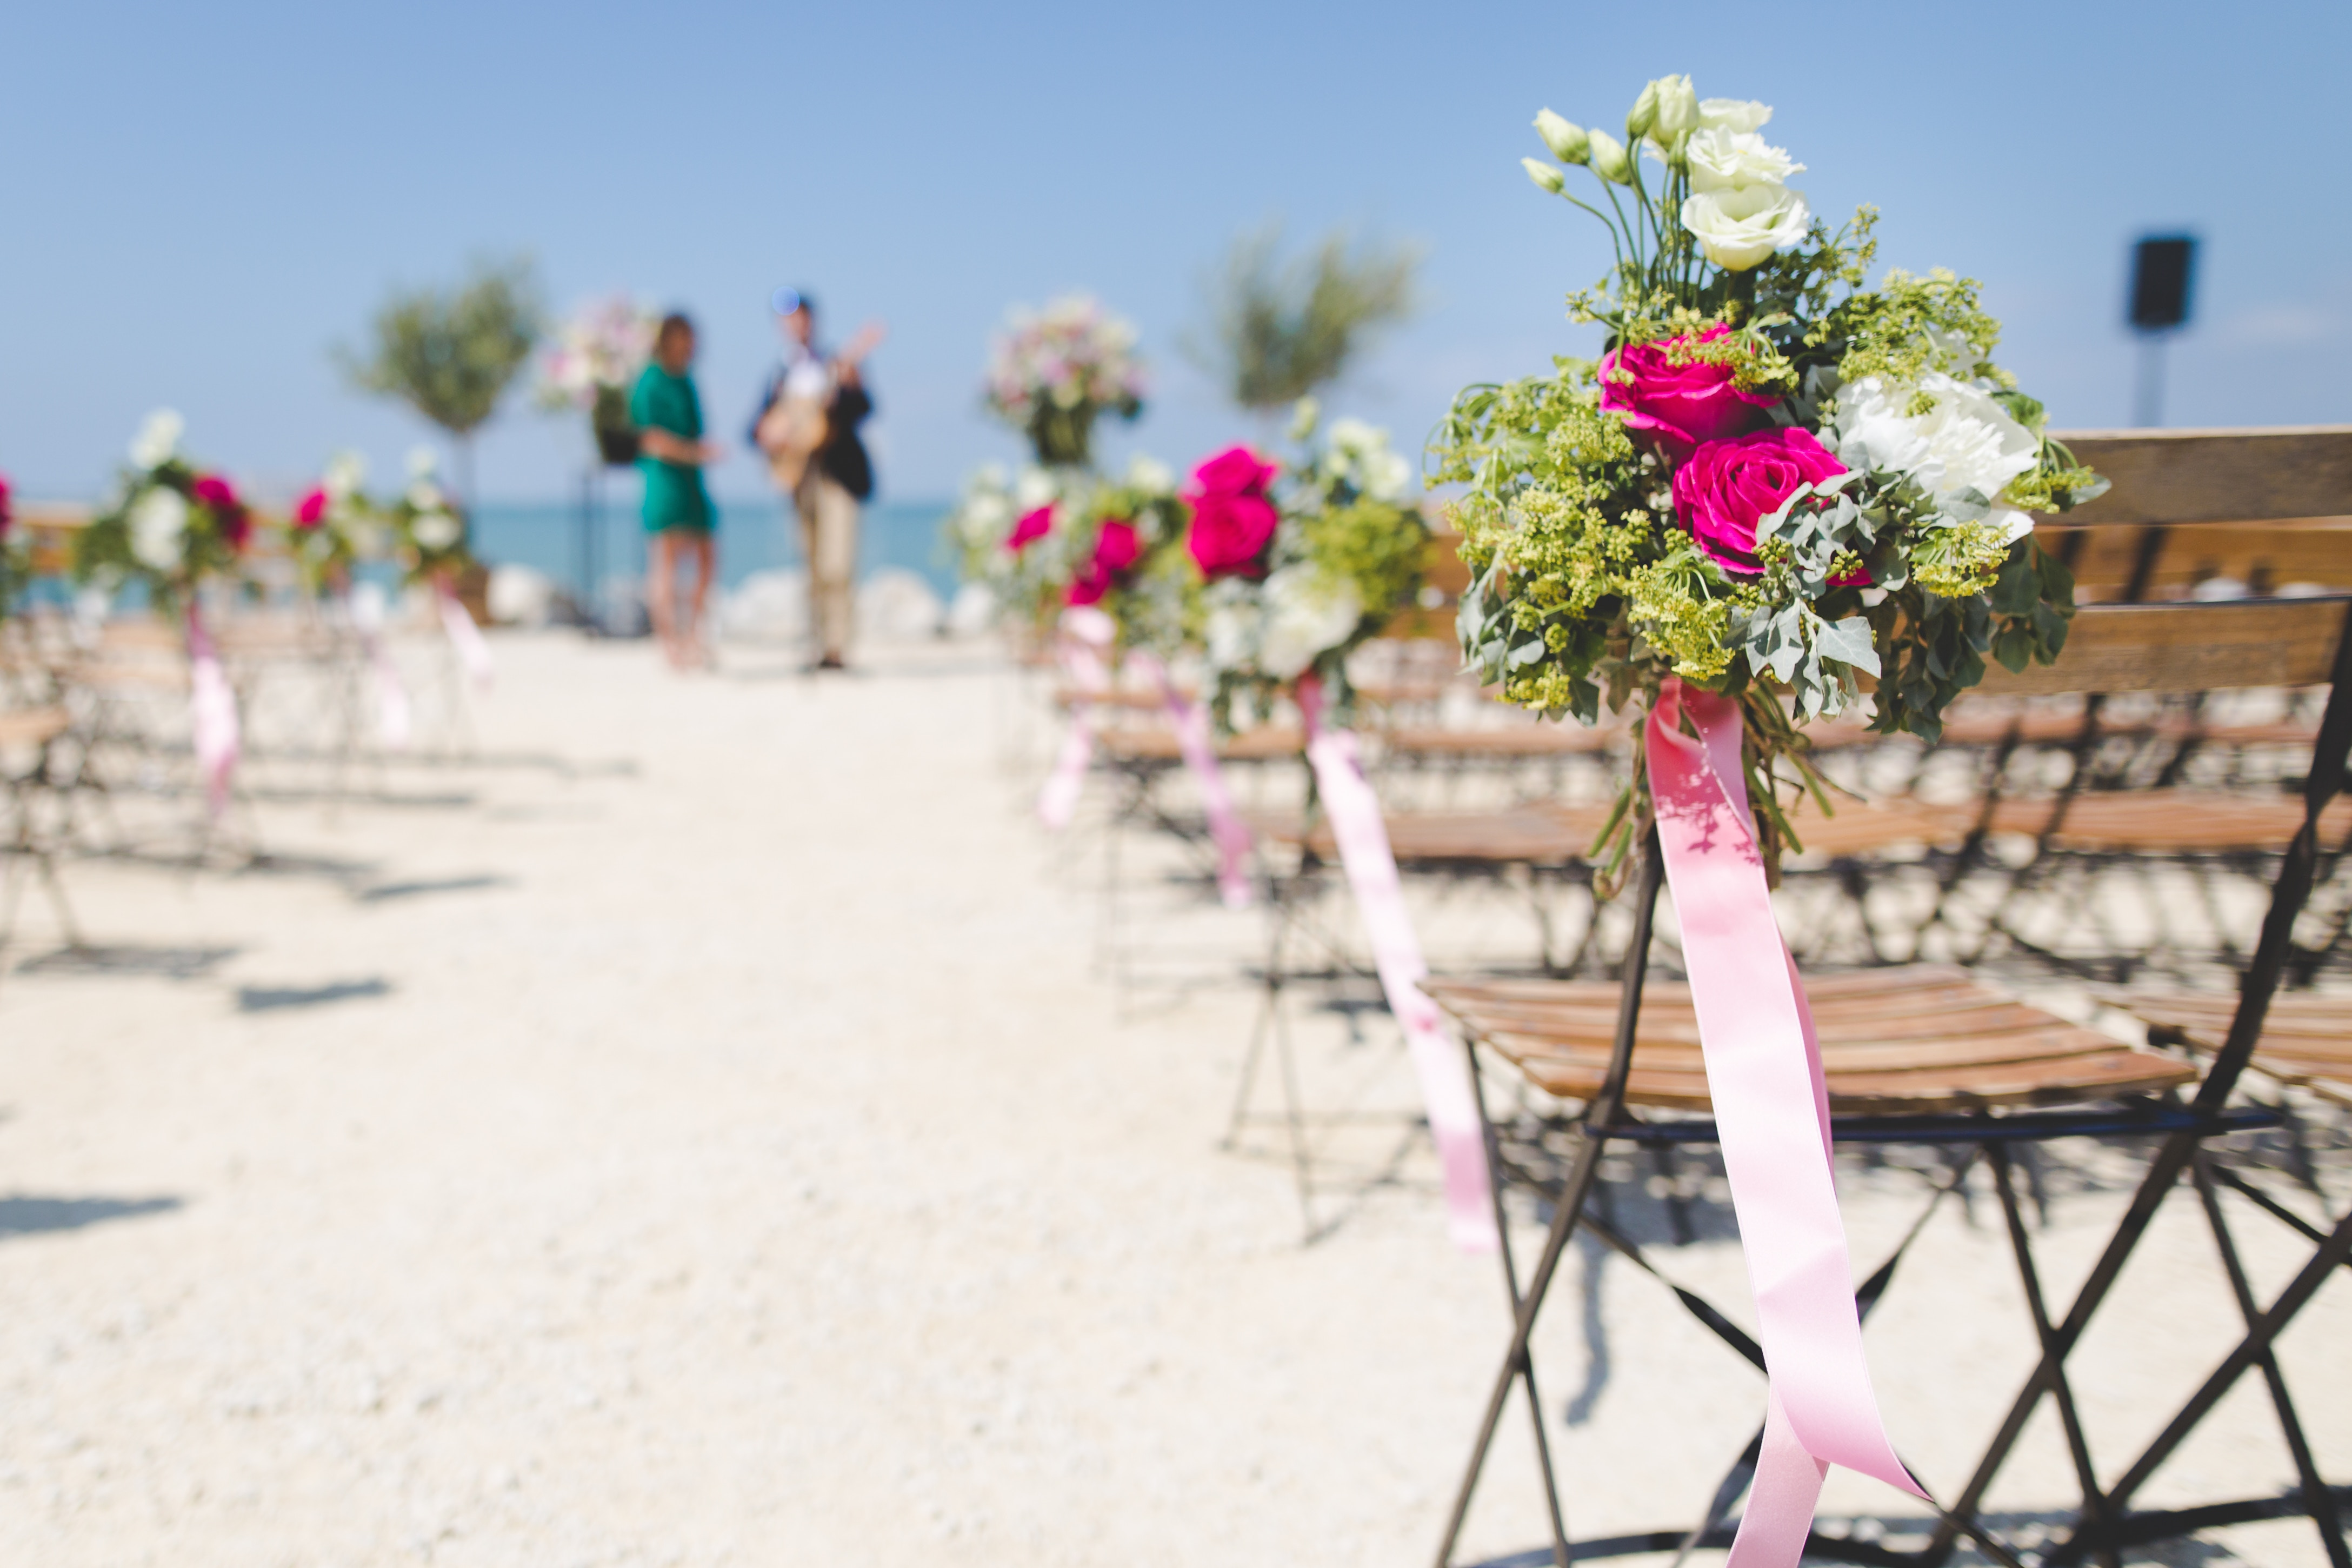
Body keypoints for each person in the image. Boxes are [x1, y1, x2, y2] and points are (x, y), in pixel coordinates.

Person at [750, 289, 884, 670]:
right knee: (810, 564)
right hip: (799, 478)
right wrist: (769, 435)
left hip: (837, 475)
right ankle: (816, 644)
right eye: (788, 318)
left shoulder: (836, 364)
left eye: (801, 316)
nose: (796, 324)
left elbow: (865, 409)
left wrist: (848, 390)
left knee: (837, 564)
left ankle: (838, 647)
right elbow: (755, 427)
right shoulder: (780, 373)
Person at [631, 312, 727, 668]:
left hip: (692, 479)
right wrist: (694, 453)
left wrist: (698, 454)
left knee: (706, 557)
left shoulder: (686, 380)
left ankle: (693, 635)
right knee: (666, 561)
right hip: (664, 479)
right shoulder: (650, 380)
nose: (690, 345)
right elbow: (648, 437)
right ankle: (670, 644)